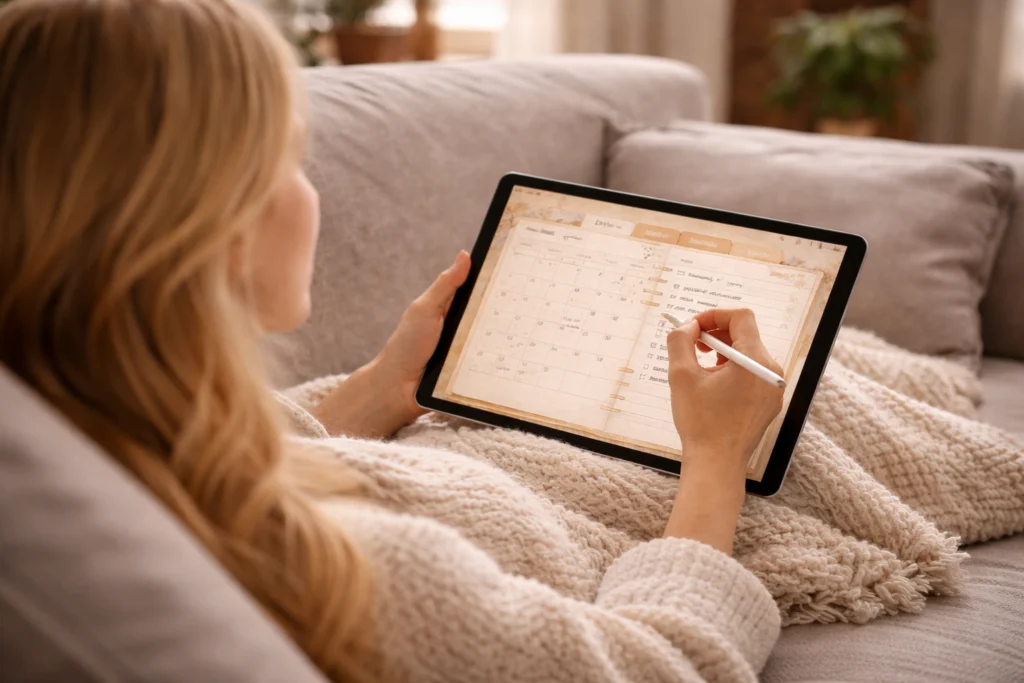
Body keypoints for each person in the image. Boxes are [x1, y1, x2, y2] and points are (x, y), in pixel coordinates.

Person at [0, 0, 786, 681]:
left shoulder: (72, 422)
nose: (310, 192)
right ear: (220, 220)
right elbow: (661, 666)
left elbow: (221, 453)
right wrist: (716, 459)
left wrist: (382, 386)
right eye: (291, 157)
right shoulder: (349, 569)